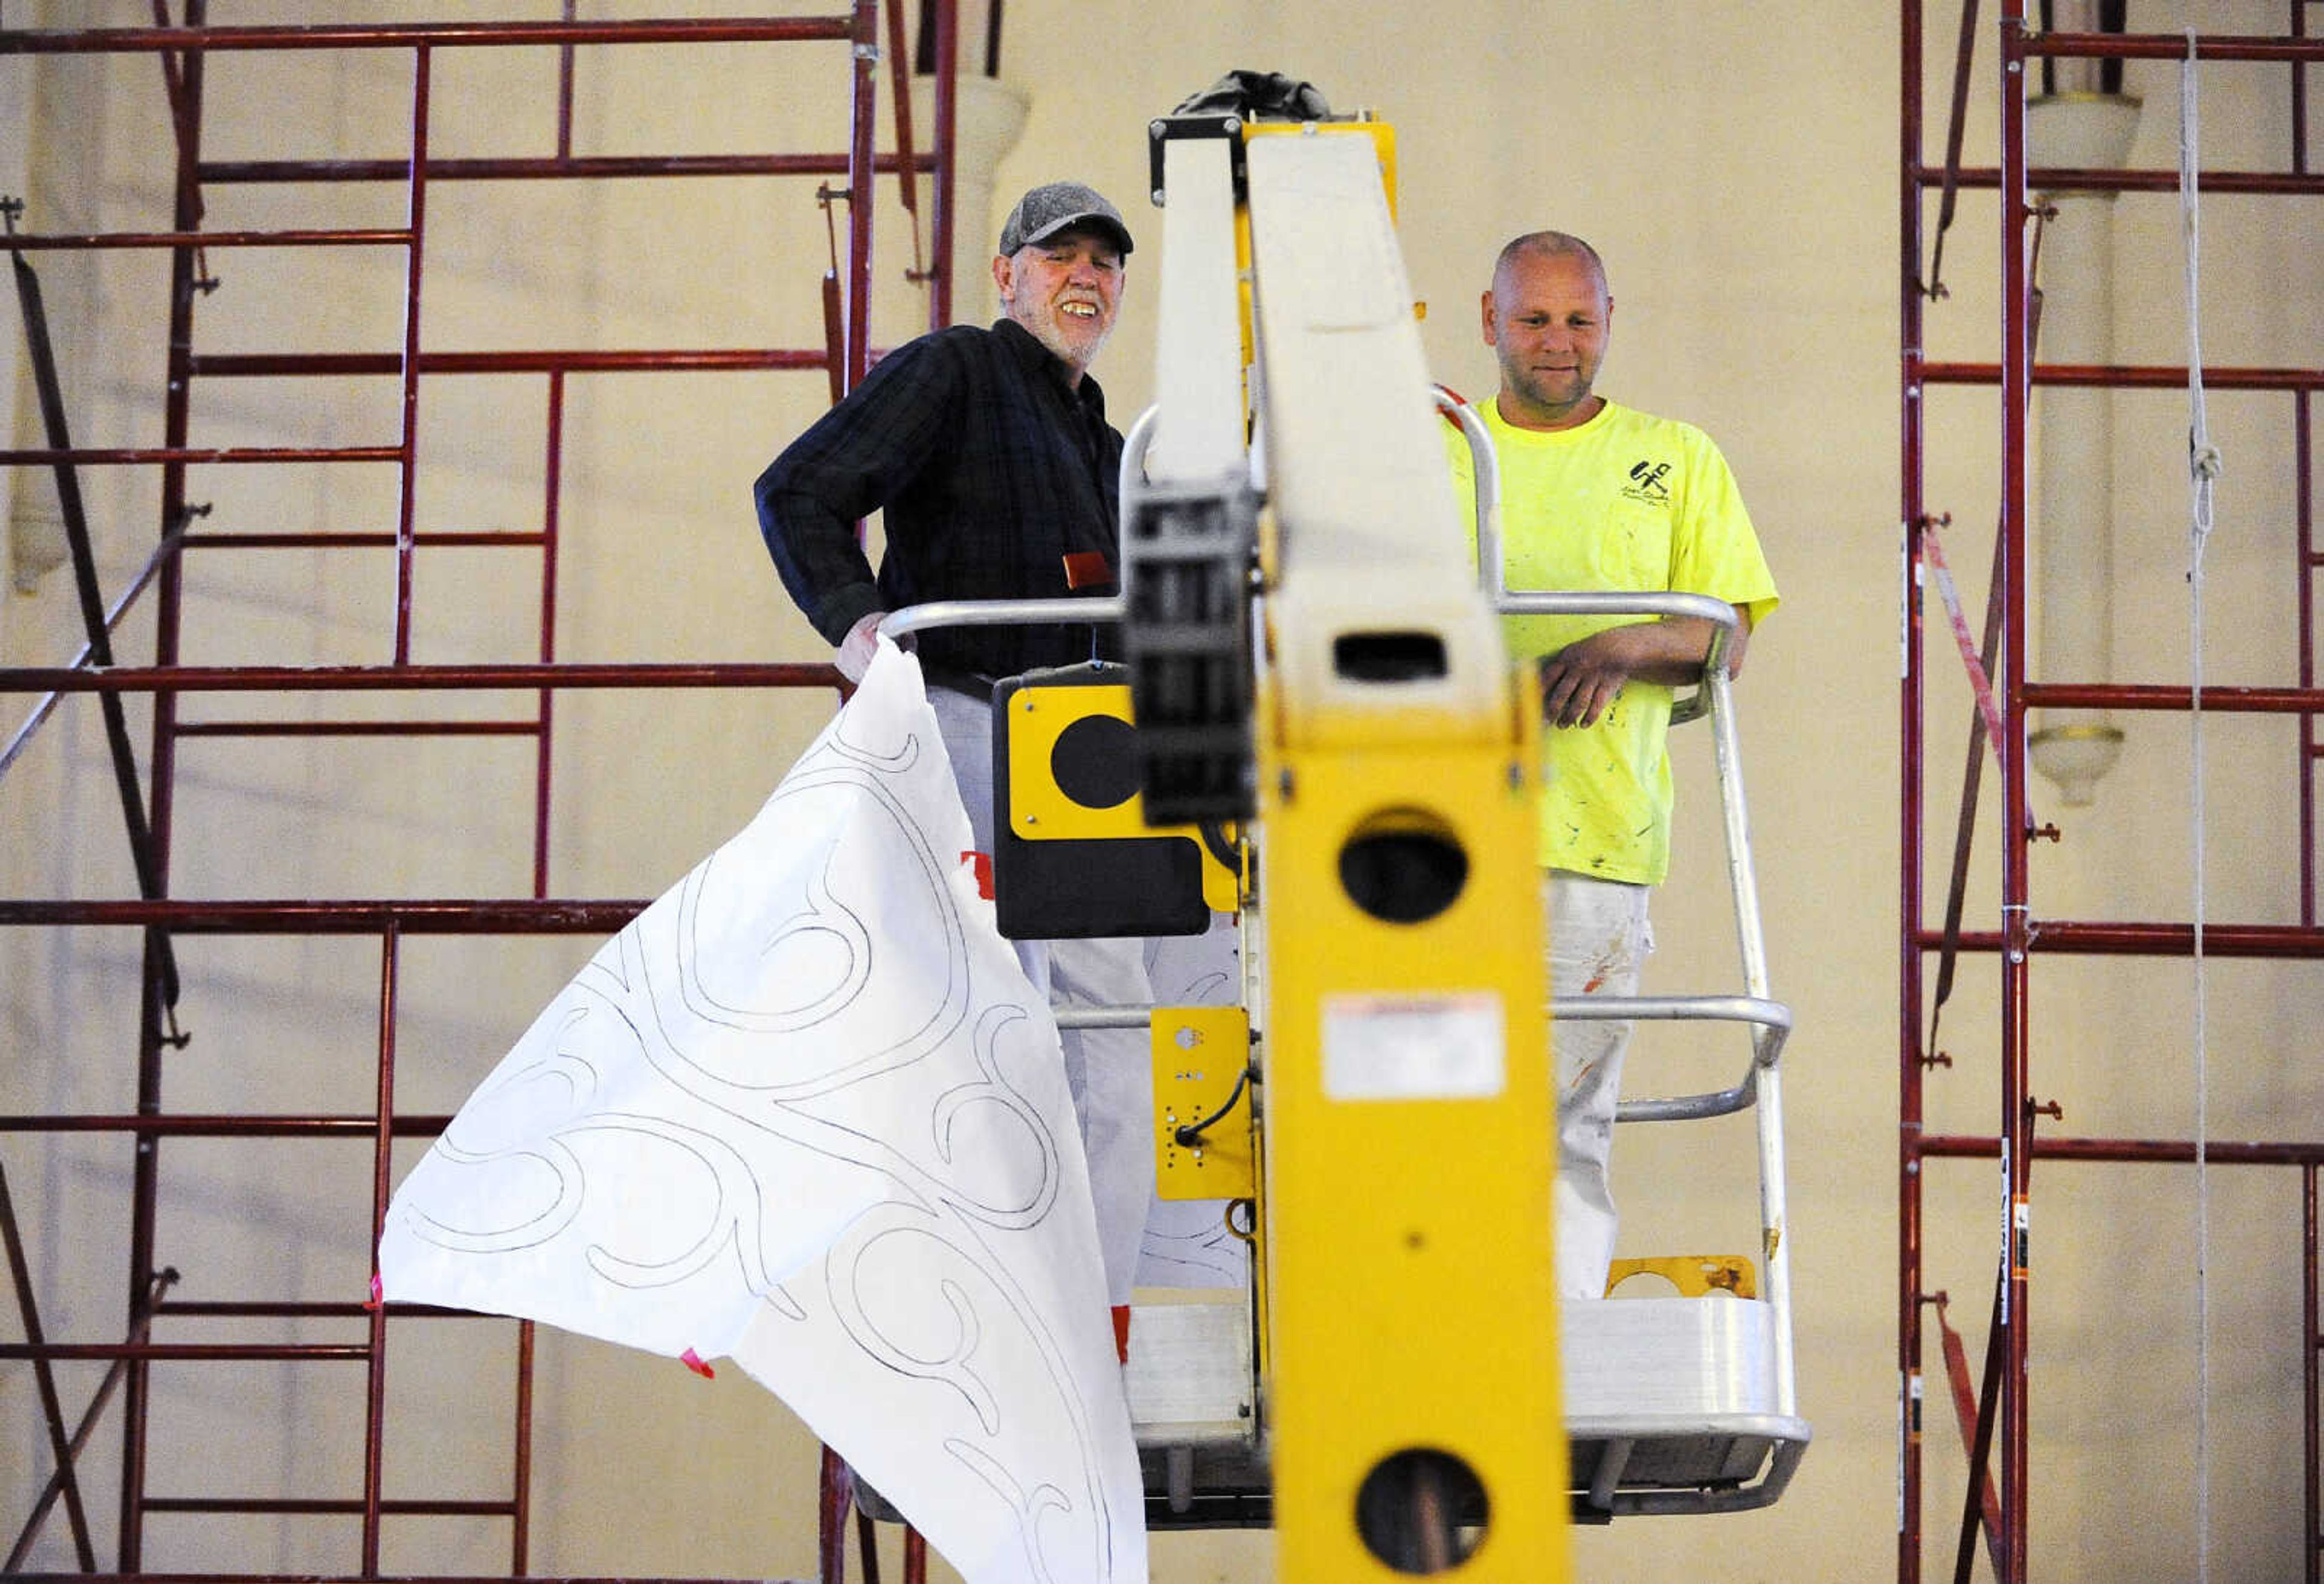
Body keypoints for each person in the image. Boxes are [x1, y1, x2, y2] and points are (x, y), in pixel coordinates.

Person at [753, 182, 1154, 1348]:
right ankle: (1001, 1299)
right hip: (978, 721)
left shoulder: (1114, 449)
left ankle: (1099, 1318)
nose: (1086, 276)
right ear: (1006, 272)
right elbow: (800, 489)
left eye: (1106, 262)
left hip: (1096, 756)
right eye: (1060, 255)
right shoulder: (956, 371)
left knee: (1112, 1034)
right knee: (1003, 1017)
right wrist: (858, 629)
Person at [1448, 231, 1779, 1300]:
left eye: (1579, 319)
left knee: (1562, 1125)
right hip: (1427, 840)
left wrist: (1615, 645)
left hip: (1593, 844)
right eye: (1535, 318)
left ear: (1609, 323)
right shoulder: (1440, 453)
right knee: (1422, 1115)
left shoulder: (1676, 459)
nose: (1558, 342)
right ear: (1488, 320)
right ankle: (1431, 1349)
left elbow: (1726, 629)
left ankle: (1557, 1374)